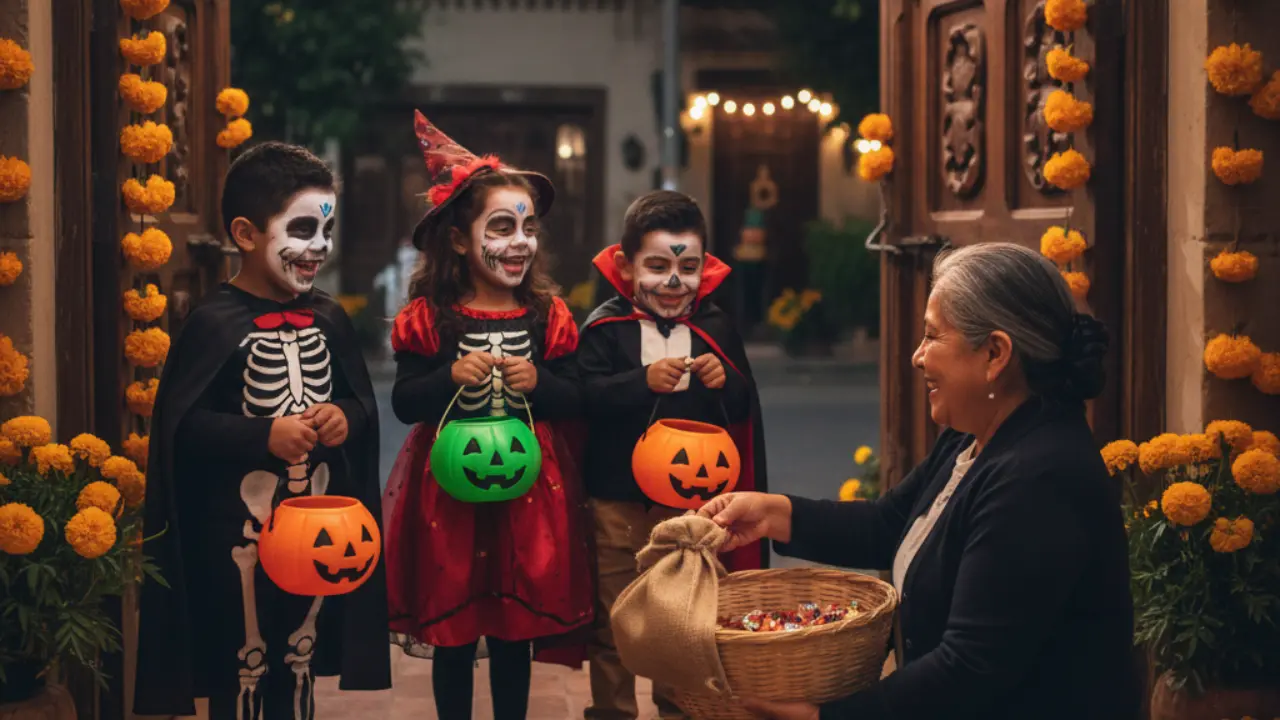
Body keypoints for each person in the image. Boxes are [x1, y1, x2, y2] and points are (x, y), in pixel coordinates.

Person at [698, 242, 1140, 720]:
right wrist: (772, 513)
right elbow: (890, 524)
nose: (917, 357)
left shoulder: (1039, 478)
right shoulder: (973, 437)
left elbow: (969, 667)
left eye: (932, 337)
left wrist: (824, 717)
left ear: (994, 353)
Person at [135, 142, 391, 719]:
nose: (318, 247)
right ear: (247, 234)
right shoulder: (212, 322)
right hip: (235, 534)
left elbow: (360, 405)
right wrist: (261, 436)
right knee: (242, 662)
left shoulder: (329, 317)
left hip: (316, 526)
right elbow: (183, 428)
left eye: (326, 230)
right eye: (302, 229)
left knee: (299, 657)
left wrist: (343, 417)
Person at [382, 111, 593, 720]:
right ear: (458, 239)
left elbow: (576, 397)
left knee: (512, 627)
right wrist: (446, 375)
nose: (519, 242)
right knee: (454, 626)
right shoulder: (431, 319)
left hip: (530, 494)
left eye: (528, 228)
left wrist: (541, 383)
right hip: (447, 492)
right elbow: (403, 401)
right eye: (502, 226)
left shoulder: (546, 316)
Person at [579, 190, 768, 720]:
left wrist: (722, 378)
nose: (673, 282)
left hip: (692, 511)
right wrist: (639, 383)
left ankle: (678, 710)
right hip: (617, 506)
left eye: (687, 267)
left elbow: (744, 404)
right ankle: (614, 711)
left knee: (682, 623)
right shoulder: (604, 329)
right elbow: (583, 396)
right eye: (658, 266)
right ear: (625, 264)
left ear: (704, 266)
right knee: (614, 621)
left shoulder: (716, 326)